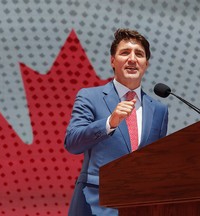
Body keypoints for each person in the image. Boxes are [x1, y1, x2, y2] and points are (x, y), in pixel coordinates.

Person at [64, 28, 169, 216]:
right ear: (112, 61)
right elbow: (72, 142)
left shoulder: (159, 110)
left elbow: (157, 162)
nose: (132, 59)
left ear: (146, 63)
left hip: (141, 205)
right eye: (124, 53)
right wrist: (109, 123)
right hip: (96, 202)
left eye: (139, 54)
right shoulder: (90, 97)